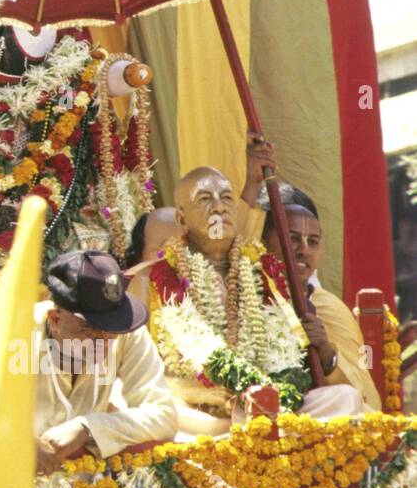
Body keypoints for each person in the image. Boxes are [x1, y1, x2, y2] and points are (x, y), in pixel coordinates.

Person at [129, 166, 362, 438]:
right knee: (155, 415)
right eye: (205, 199)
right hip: (200, 414)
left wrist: (278, 386)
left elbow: (289, 356)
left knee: (343, 399)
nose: (219, 208)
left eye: (227, 198)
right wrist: (205, 392)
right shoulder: (149, 280)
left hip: (271, 404)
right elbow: (135, 374)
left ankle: (269, 428)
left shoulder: (266, 272)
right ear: (181, 220)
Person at [0, 250, 176, 472]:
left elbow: (163, 414)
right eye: (89, 330)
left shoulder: (125, 332)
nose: (103, 342)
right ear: (55, 319)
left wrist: (89, 427)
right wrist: (13, 443)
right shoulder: (10, 334)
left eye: (110, 331)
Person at [261, 195, 382, 411]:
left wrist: (327, 355)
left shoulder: (324, 306)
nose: (304, 250)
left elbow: (367, 396)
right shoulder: (245, 293)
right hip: (254, 408)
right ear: (262, 242)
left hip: (313, 413)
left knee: (347, 399)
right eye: (292, 238)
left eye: (313, 242)